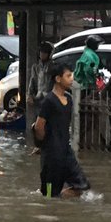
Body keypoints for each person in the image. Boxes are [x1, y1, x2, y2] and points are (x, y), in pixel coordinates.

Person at [33, 62, 90, 199]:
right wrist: (42, 145)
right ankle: (53, 206)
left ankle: (61, 199)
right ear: (58, 79)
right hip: (52, 156)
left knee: (82, 185)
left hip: (65, 151)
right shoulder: (49, 101)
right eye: (68, 76)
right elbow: (39, 126)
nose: (72, 79)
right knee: (49, 194)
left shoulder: (69, 99)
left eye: (72, 75)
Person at [25, 42, 54, 107]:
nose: (42, 54)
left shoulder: (53, 67)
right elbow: (32, 82)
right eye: (41, 52)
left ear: (49, 54)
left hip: (50, 98)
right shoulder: (36, 67)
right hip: (38, 98)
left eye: (45, 53)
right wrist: (29, 96)